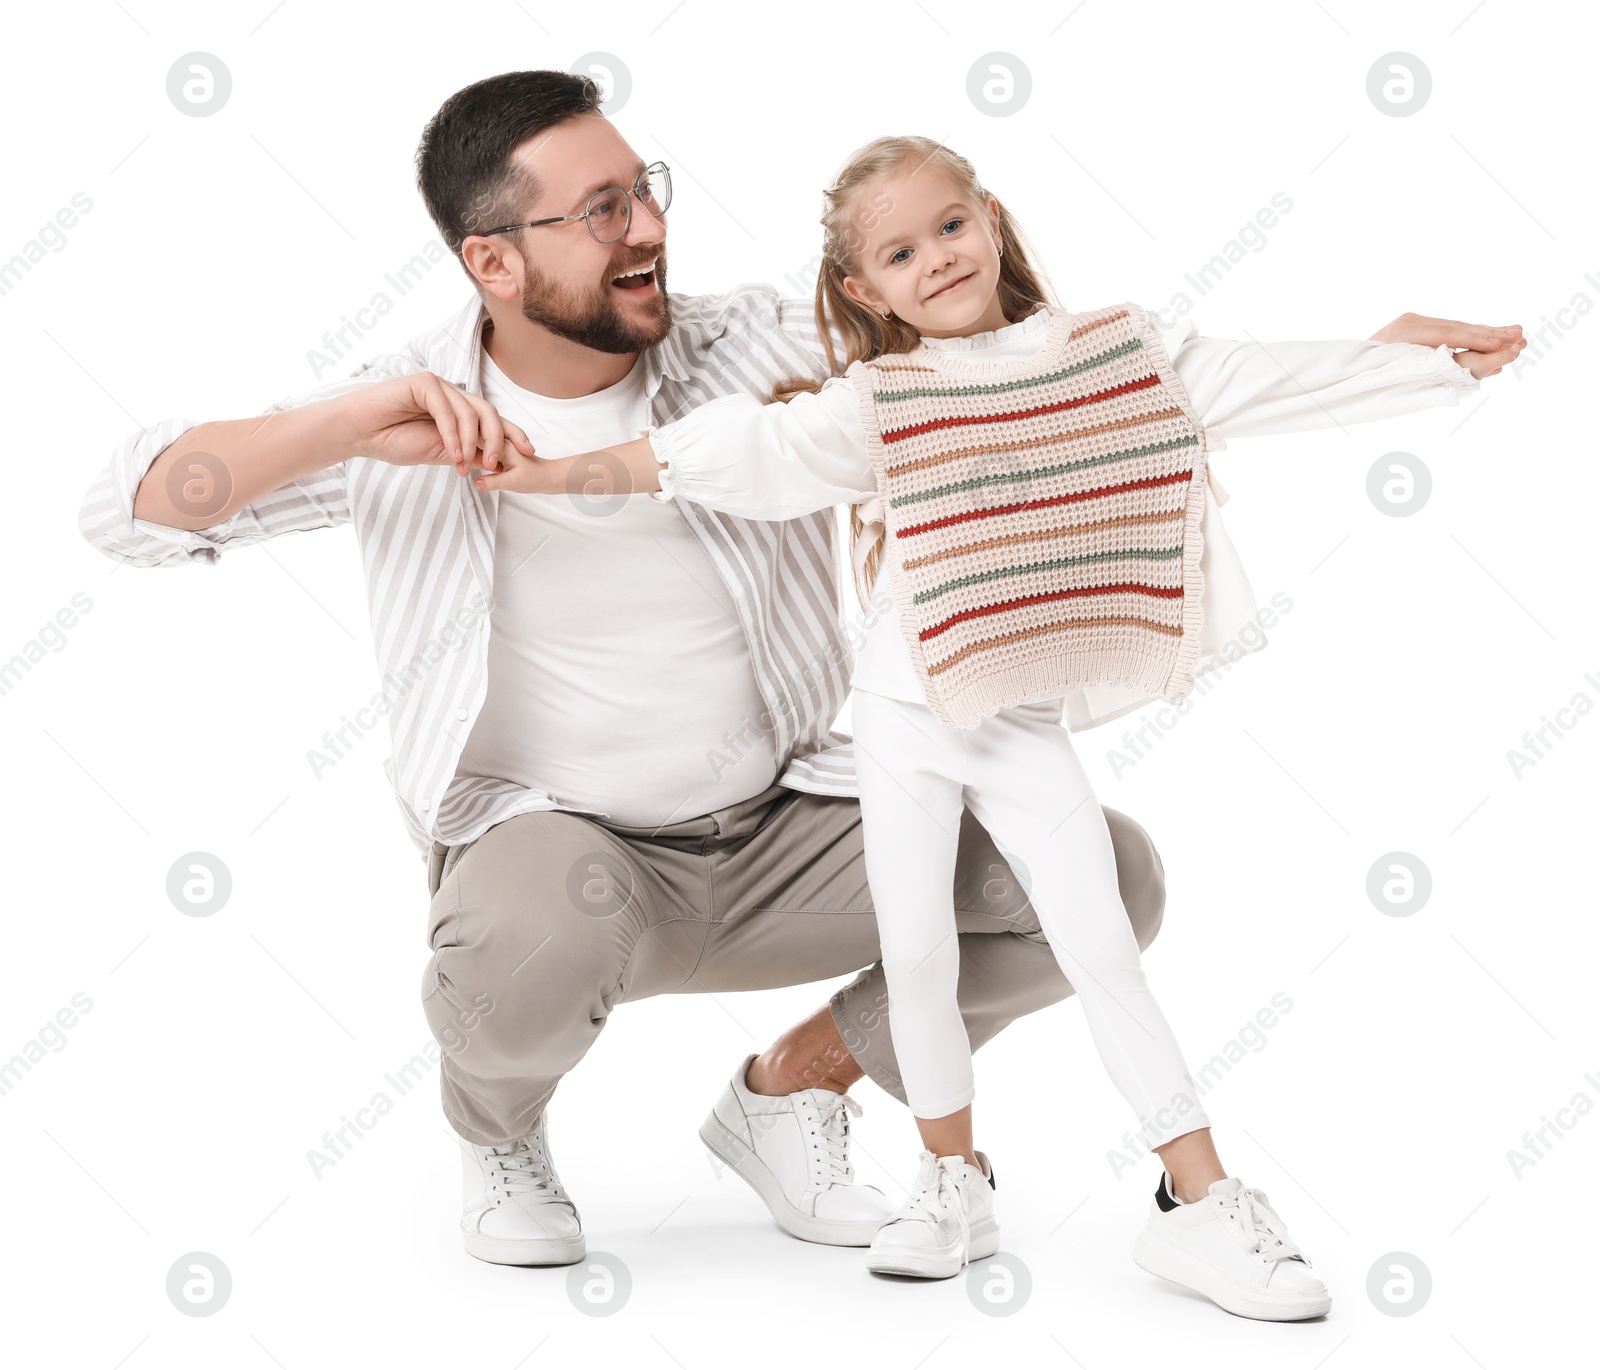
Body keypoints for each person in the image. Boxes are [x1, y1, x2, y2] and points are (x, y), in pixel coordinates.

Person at [473, 133, 1522, 1316]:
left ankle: (1198, 1199)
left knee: (1099, 945)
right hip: (900, 710)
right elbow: (718, 455)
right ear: (865, 292)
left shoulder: (1116, 355)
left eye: (951, 227)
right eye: (902, 253)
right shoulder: (883, 401)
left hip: (1011, 715)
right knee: (917, 953)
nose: (939, 260)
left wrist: (1406, 361)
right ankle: (946, 1178)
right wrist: (538, 476)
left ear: (994, 218)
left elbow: (1265, 379)